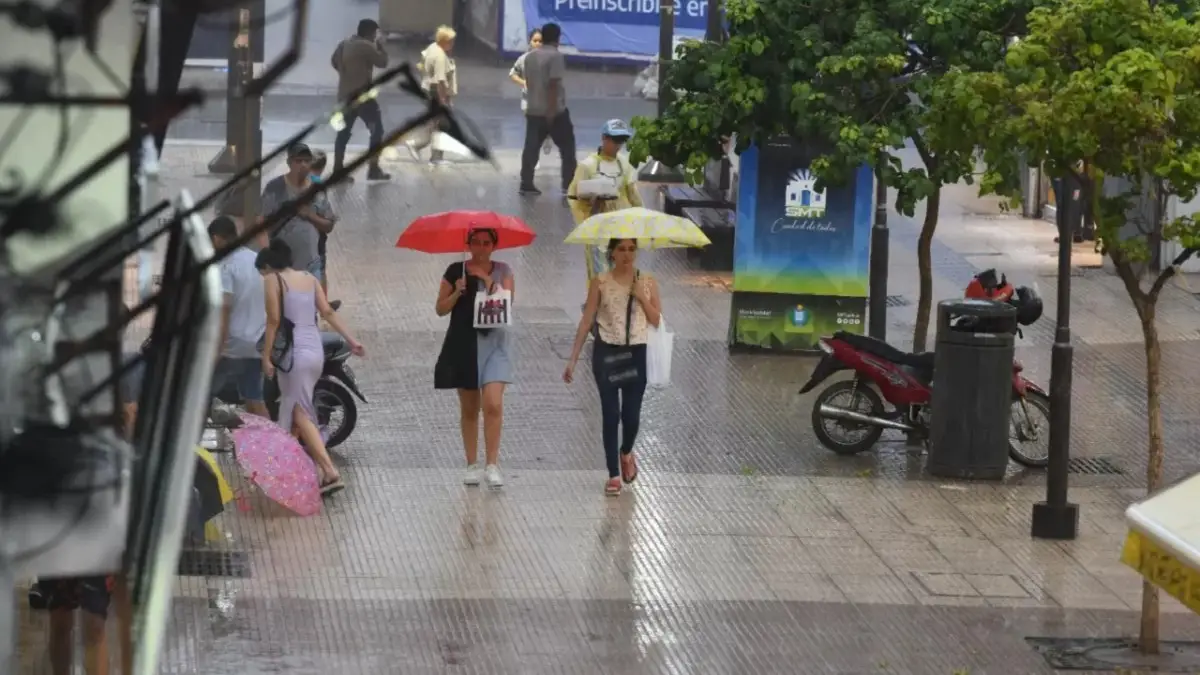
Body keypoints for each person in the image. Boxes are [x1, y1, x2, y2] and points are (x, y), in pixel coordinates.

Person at [257, 239, 365, 495]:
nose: (262, 275)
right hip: (314, 350)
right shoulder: (308, 277)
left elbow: (273, 321)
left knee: (300, 413)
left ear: (270, 265)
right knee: (300, 412)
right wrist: (352, 341)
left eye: (262, 270)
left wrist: (267, 356)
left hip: (294, 356)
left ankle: (329, 470)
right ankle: (312, 471)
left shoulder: (273, 280)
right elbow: (327, 312)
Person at [563, 239, 661, 495]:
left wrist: (641, 296)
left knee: (631, 416)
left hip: (636, 352)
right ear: (612, 253)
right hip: (607, 352)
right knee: (610, 413)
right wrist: (573, 359)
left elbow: (656, 320)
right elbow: (587, 321)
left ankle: (626, 451)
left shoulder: (647, 281)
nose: (627, 254)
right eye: (622, 249)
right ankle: (613, 474)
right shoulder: (600, 282)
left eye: (631, 249)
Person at [433, 228, 514, 488]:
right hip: (464, 346)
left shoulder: (504, 271)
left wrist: (485, 279)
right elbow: (440, 309)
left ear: (494, 245)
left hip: (496, 346)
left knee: (493, 403)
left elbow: (507, 303)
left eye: (486, 243)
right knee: (470, 408)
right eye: (476, 243)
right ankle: (471, 464)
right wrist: (457, 292)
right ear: (468, 245)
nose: (481, 248)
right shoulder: (455, 270)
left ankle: (492, 464)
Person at [207, 215, 270, 419]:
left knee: (200, 397)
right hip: (256, 342)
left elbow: (223, 315)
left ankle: (191, 444)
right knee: (254, 400)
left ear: (217, 239)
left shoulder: (225, 267)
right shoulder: (255, 259)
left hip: (232, 346)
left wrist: (216, 352)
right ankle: (273, 446)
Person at [567, 119, 642, 281]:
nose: (618, 145)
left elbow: (633, 194)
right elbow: (574, 196)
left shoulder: (625, 163)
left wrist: (641, 219)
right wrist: (589, 205)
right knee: (599, 272)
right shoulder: (587, 166)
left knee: (622, 269)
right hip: (597, 227)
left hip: (623, 226)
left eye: (622, 140)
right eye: (615, 140)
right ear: (604, 138)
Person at [262, 143, 337, 286]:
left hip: (310, 266)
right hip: (282, 267)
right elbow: (261, 222)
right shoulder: (274, 188)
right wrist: (267, 254)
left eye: (307, 161)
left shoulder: (317, 190)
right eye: (298, 161)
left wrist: (310, 215)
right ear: (289, 163)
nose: (303, 165)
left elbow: (329, 225)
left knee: (309, 307)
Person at [519, 22, 577, 196]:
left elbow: (528, 83)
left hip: (533, 109)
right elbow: (553, 84)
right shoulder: (556, 57)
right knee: (567, 148)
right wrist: (551, 112)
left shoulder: (529, 57)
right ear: (558, 38)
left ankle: (526, 183)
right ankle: (568, 184)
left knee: (531, 147)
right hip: (554, 112)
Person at [331, 18, 391, 181]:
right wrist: (380, 46)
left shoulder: (344, 44)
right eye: (374, 33)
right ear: (369, 32)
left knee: (343, 134)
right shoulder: (366, 46)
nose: (375, 37)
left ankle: (338, 171)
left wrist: (349, 75)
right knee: (377, 131)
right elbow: (382, 62)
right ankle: (373, 169)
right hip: (363, 99)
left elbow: (334, 62)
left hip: (344, 97)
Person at [407, 25, 458, 166]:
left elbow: (421, 65)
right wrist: (443, 100)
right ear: (444, 41)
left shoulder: (432, 48)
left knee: (438, 124)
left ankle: (434, 155)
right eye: (451, 41)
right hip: (437, 93)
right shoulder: (440, 57)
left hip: (429, 89)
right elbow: (440, 81)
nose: (452, 44)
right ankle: (420, 146)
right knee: (441, 124)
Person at [509, 29, 552, 166]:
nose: (538, 43)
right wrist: (524, 83)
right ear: (530, 42)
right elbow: (513, 74)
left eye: (541, 41)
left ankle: (547, 138)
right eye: (535, 41)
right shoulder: (523, 59)